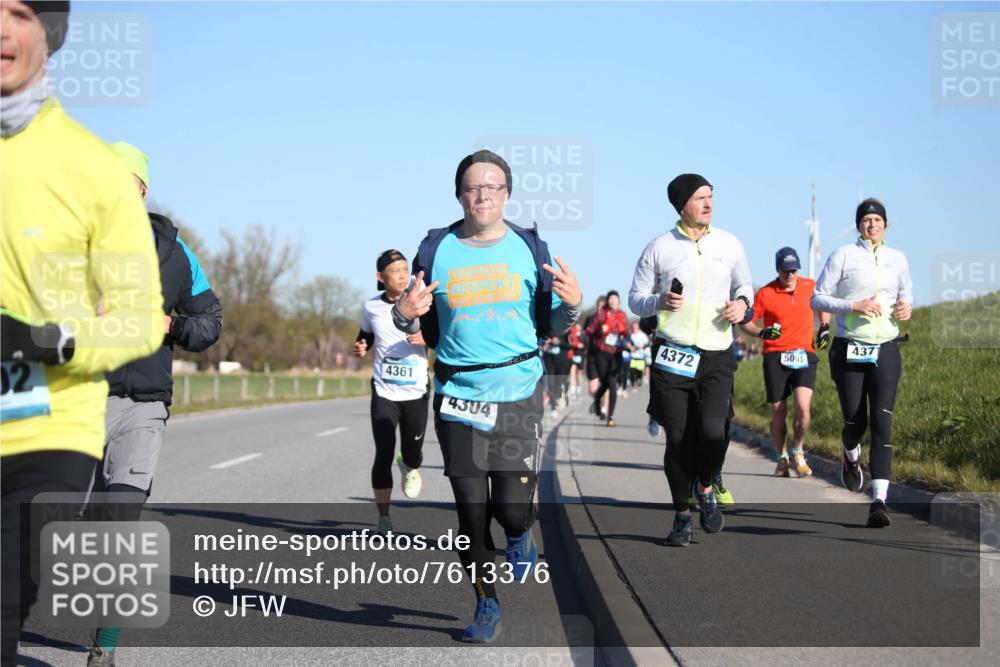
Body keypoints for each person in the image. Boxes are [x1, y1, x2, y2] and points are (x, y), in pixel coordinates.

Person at [1, 2, 164, 662]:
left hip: (62, 408)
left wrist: (50, 340)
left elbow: (147, 314)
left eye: (17, 11)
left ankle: (106, 641)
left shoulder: (91, 172)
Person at [393, 150, 581, 643]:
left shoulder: (529, 248)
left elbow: (551, 324)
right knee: (471, 513)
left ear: (507, 193)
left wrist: (574, 307)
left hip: (518, 392)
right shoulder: (436, 249)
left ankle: (520, 533)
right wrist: (403, 313)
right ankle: (485, 604)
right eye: (473, 187)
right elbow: (415, 320)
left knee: (511, 509)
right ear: (459, 195)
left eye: (493, 186)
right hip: (456, 394)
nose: (483, 195)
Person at [85, 142, 223, 666]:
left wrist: (173, 325)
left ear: (140, 190)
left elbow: (210, 321)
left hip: (142, 403)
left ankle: (105, 646)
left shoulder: (175, 254)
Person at [628, 173, 753, 547]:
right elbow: (636, 299)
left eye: (711, 196)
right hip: (673, 354)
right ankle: (682, 516)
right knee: (679, 439)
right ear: (682, 204)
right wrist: (659, 301)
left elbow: (746, 287)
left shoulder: (730, 244)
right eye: (701, 197)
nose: (709, 204)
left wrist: (743, 305)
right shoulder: (659, 247)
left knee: (714, 432)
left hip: (717, 353)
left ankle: (704, 485)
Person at [811, 198, 912, 528]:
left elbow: (905, 295)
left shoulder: (897, 259)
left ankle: (878, 501)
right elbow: (818, 298)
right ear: (858, 225)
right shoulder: (843, 255)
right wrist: (854, 306)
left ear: (886, 225)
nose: (872, 225)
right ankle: (850, 454)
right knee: (856, 421)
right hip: (849, 347)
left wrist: (905, 308)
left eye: (877, 220)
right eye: (866, 220)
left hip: (886, 348)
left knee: (883, 423)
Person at [353, 249, 429, 537]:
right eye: (395, 270)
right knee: (382, 452)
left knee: (414, 453)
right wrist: (361, 346)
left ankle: (409, 464)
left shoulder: (421, 300)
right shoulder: (371, 307)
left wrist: (426, 336)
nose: (402, 275)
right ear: (380, 277)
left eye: (404, 269)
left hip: (417, 389)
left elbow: (441, 331)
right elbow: (365, 335)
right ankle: (383, 518)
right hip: (384, 390)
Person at [740, 246, 830, 478]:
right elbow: (746, 322)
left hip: (804, 354)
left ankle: (798, 451)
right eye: (785, 271)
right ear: (777, 270)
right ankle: (781, 457)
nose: (790, 275)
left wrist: (824, 328)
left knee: (803, 407)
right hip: (775, 356)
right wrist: (761, 333)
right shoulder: (766, 293)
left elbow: (824, 304)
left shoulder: (810, 286)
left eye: (793, 270)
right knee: (779, 413)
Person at [585, 291, 628, 427]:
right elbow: (589, 331)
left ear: (619, 301)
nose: (613, 301)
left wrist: (622, 333)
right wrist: (599, 331)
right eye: (610, 299)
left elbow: (626, 332)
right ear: (608, 301)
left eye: (615, 299)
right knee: (605, 382)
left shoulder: (622, 315)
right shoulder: (601, 314)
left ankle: (610, 417)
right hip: (602, 353)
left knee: (612, 384)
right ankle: (598, 399)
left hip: (616, 353)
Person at [582, 296, 606, 414]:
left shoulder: (610, 320)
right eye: (598, 306)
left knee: (606, 384)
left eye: (602, 306)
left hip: (606, 356)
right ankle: (598, 400)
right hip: (592, 355)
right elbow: (585, 335)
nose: (600, 308)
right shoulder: (590, 319)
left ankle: (605, 409)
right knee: (592, 389)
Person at [542, 330, 570, 419]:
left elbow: (569, 345)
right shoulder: (545, 329)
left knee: (558, 384)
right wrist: (545, 344)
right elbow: (539, 343)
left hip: (561, 361)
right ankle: (553, 409)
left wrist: (558, 342)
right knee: (550, 385)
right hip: (548, 361)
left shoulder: (565, 330)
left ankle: (561, 394)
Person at [567, 323, 586, 400]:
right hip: (573, 355)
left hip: (581, 356)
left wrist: (583, 346)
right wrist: (574, 344)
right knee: (572, 373)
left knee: (579, 375)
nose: (578, 327)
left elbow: (587, 344)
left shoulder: (584, 335)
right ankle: (572, 392)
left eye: (579, 326)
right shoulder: (571, 334)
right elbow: (568, 343)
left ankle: (578, 391)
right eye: (576, 326)